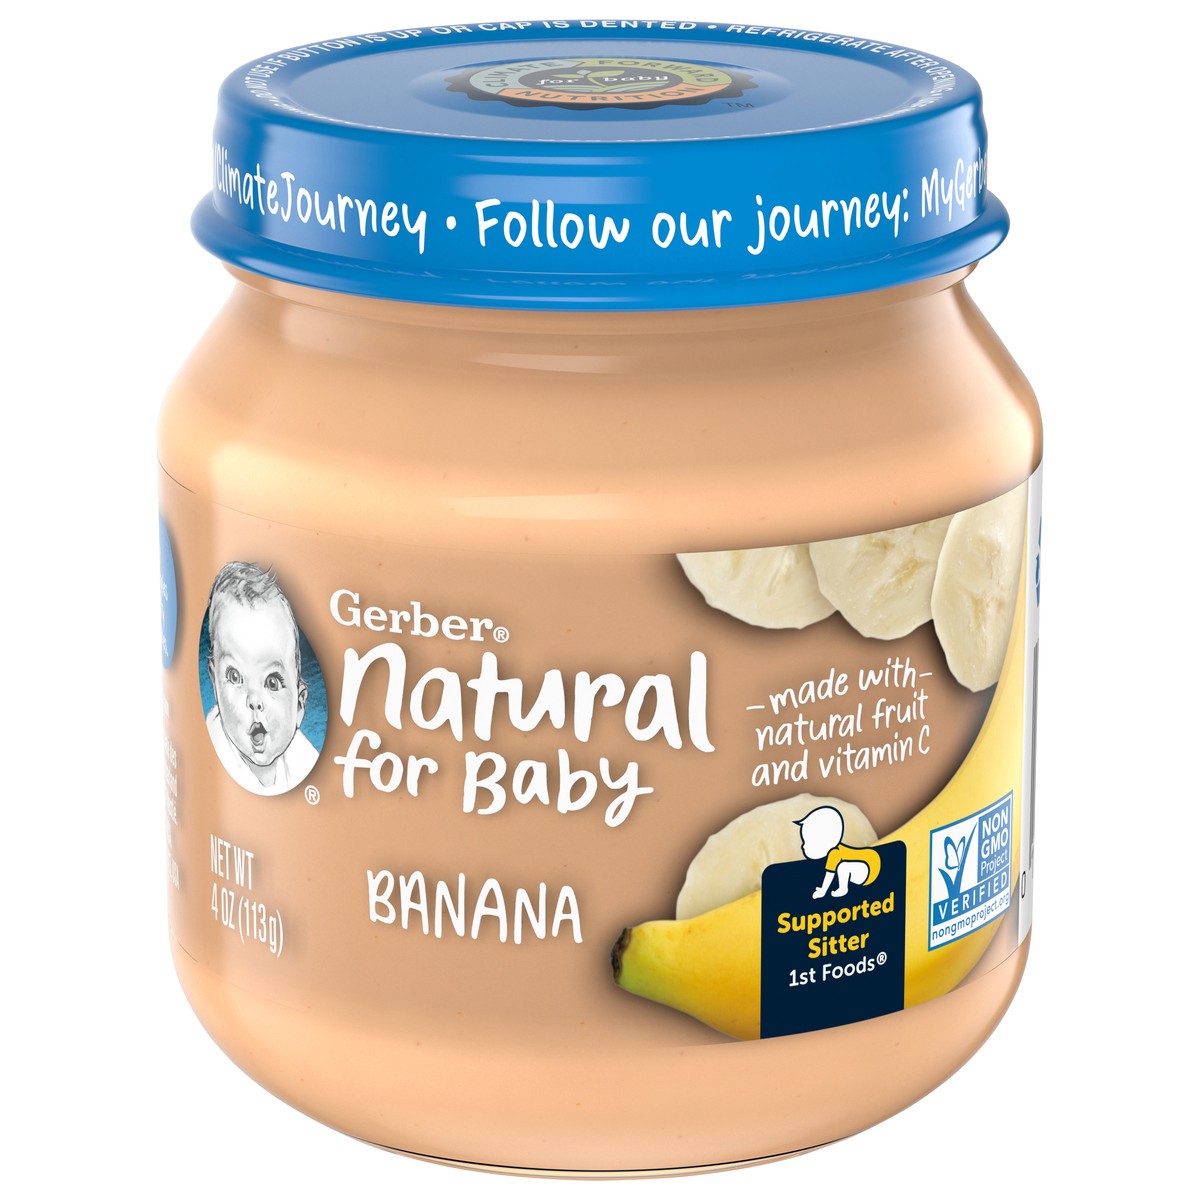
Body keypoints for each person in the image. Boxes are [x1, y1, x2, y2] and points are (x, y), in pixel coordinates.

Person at [204, 562, 319, 796]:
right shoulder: (212, 754)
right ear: (215, 684)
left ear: (299, 706)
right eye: (234, 676)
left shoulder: (303, 758)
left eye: (272, 682)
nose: (254, 700)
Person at [794, 806, 881, 899]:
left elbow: (829, 875)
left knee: (843, 867)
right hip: (870, 861)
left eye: (807, 841)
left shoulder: (835, 853)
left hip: (871, 867)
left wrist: (822, 891)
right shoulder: (836, 850)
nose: (803, 846)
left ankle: (843, 889)